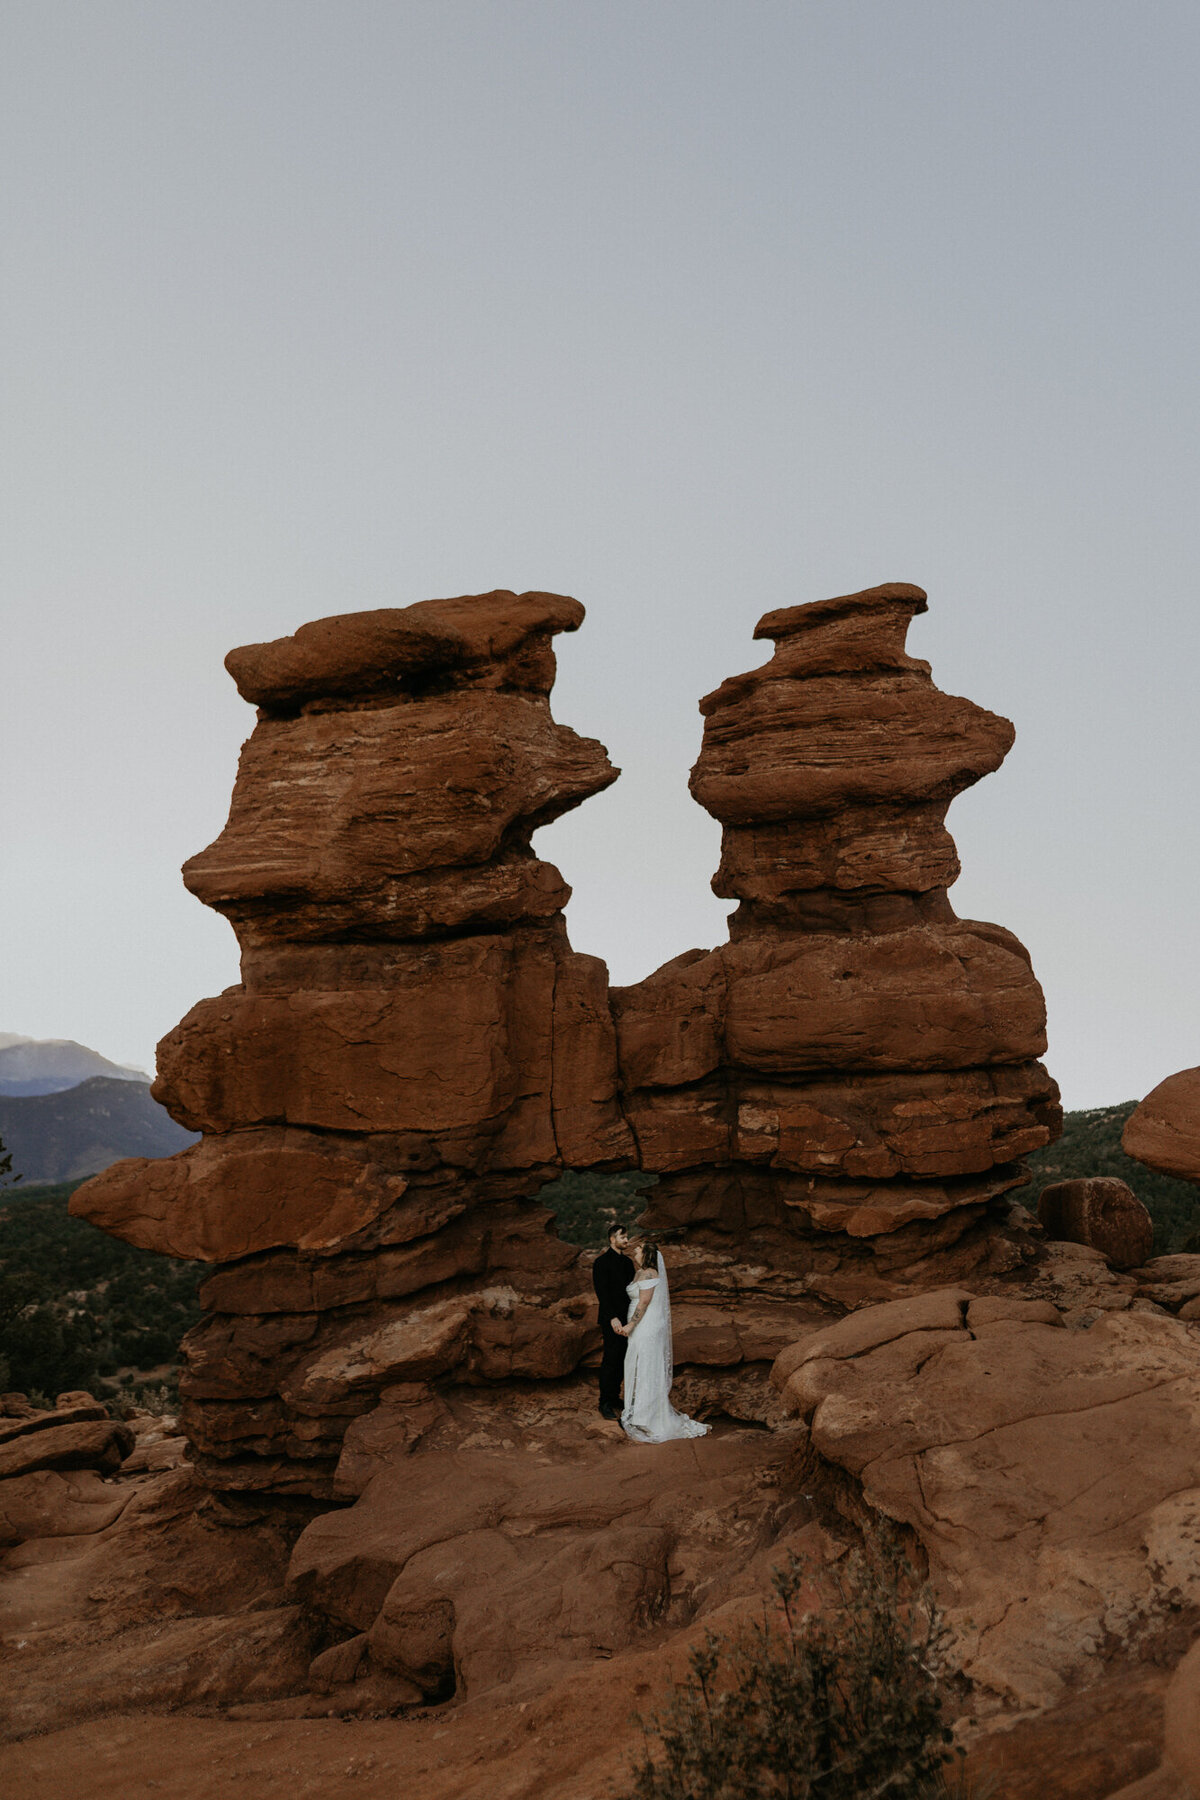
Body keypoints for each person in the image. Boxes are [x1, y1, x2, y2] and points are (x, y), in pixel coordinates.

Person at [615, 1240, 709, 1444]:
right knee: (638, 1364)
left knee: (647, 1365)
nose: (635, 1251)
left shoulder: (649, 1273)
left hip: (646, 1325)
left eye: (638, 1249)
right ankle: (639, 1413)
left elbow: (644, 1301)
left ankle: (647, 1418)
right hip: (640, 1324)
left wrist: (631, 1325)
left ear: (647, 1254)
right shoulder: (640, 1272)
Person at [591, 1223, 635, 1419]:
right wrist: (612, 1318)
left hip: (628, 1320)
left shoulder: (627, 1263)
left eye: (627, 1237)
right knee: (610, 1359)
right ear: (612, 1239)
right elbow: (602, 1293)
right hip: (612, 1319)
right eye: (622, 1237)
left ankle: (615, 1397)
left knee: (623, 1359)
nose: (626, 1240)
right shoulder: (601, 1263)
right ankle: (605, 1402)